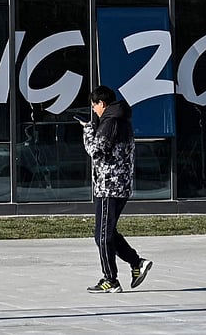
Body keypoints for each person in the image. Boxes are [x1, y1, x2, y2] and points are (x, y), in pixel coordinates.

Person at [79, 85, 153, 293]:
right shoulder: (120, 119)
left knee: (102, 236)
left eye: (94, 106)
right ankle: (136, 263)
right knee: (107, 233)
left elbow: (95, 150)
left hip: (109, 186)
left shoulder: (110, 122)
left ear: (102, 104)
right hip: (119, 185)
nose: (94, 110)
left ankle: (110, 279)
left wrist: (87, 130)